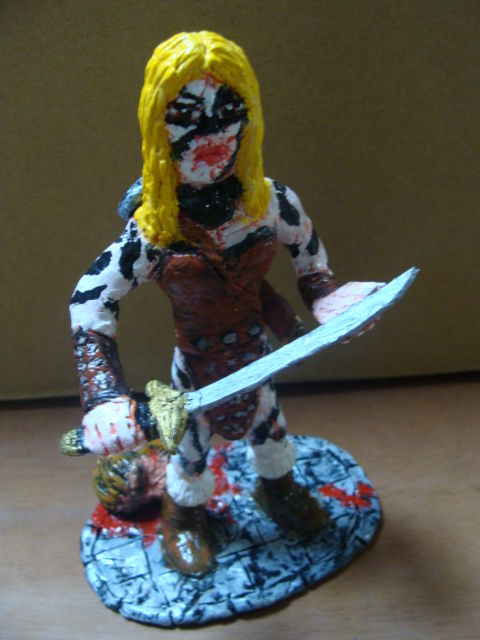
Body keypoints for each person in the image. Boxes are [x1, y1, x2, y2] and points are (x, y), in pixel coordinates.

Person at [69, 31, 381, 576]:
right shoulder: (152, 232)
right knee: (190, 453)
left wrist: (326, 296)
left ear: (248, 117)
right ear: (158, 127)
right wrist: (104, 395)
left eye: (228, 112)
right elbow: (89, 300)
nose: (212, 134)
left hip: (257, 358)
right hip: (196, 371)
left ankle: (278, 491)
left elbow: (306, 249)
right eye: (187, 117)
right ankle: (184, 519)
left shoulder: (270, 203)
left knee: (271, 432)